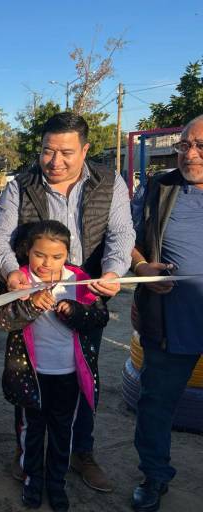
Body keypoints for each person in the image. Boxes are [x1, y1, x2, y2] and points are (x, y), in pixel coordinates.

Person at [0, 112, 134, 492]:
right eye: (47, 151)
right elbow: (1, 237)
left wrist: (112, 271)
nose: (55, 162)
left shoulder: (109, 182)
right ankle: (29, 456)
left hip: (84, 293)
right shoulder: (19, 185)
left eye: (66, 153)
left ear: (85, 150)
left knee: (82, 373)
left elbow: (121, 233)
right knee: (28, 371)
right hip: (31, 291)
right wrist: (12, 273)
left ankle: (81, 452)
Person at [0, 221, 109, 512]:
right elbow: (2, 320)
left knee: (61, 432)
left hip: (68, 376)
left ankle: (57, 484)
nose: (47, 263)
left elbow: (99, 318)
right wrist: (30, 305)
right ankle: (33, 480)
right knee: (31, 431)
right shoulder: (18, 281)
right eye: (39, 255)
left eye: (56, 256)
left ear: (67, 254)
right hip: (29, 376)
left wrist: (76, 312)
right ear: (28, 252)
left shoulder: (79, 279)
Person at [129, 115, 203, 512]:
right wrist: (140, 269)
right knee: (155, 403)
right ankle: (154, 476)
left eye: (201, 146)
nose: (190, 154)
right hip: (171, 323)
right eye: (184, 145)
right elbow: (126, 239)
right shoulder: (158, 188)